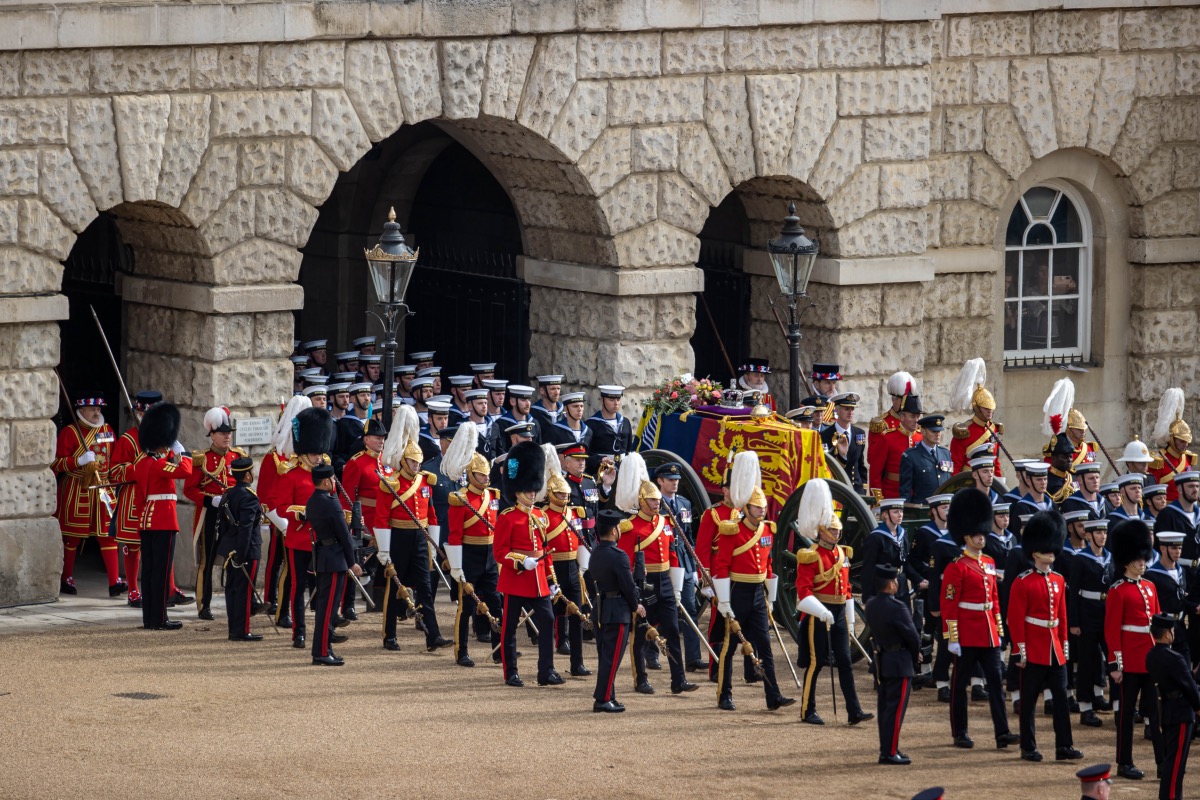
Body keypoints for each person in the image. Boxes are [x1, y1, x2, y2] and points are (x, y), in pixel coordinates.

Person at [711, 451, 792, 711]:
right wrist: (724, 600)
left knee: (765, 647)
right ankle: (724, 694)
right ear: (746, 508)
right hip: (737, 592)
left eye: (763, 507)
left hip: (757, 593)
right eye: (758, 508)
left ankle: (773, 695)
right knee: (730, 647)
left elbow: (768, 565)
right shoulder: (731, 530)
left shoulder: (767, 529)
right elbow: (721, 565)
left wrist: (771, 597)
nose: (762, 511)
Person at [941, 488, 1020, 750]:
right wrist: (952, 637)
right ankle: (960, 732)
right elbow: (949, 604)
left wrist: (998, 629)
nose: (982, 538)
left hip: (988, 633)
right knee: (959, 685)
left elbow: (994, 600)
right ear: (966, 536)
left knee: (996, 685)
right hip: (966, 633)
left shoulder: (988, 562)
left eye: (983, 534)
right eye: (977, 534)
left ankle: (1002, 732)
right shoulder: (957, 567)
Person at [372, 405, 452, 653]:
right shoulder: (391, 484)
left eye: (418, 462)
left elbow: (432, 515)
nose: (416, 466)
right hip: (398, 537)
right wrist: (383, 550)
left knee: (425, 588)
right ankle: (389, 635)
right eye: (412, 462)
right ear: (403, 461)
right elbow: (382, 517)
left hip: (420, 538)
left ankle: (433, 636)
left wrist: (433, 545)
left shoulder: (425, 481)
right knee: (394, 588)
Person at [616, 454, 695, 696]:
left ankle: (678, 680)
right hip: (644, 584)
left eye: (658, 500)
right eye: (652, 500)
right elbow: (625, 562)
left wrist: (676, 587)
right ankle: (640, 679)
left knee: (672, 631)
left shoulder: (665, 522)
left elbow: (672, 555)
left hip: (665, 584)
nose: (657, 503)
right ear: (641, 501)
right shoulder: (630, 527)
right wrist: (632, 592)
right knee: (641, 634)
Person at [1007, 510, 1083, 762]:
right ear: (1035, 552)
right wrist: (1020, 651)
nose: (1051, 554)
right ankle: (1028, 746)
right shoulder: (1023, 581)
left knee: (1061, 699)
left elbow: (1062, 617)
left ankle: (1064, 745)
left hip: (1054, 649)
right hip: (1033, 648)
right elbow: (1016, 619)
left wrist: (1064, 646)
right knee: (1029, 701)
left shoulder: (1058, 580)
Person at [794, 477, 869, 724]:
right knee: (815, 664)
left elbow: (847, 590)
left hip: (837, 613)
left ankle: (854, 710)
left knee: (845, 663)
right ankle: (807, 710)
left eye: (838, 530)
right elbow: (803, 592)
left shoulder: (842, 554)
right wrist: (821, 611)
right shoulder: (810, 555)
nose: (837, 533)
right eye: (833, 530)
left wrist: (850, 618)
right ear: (823, 531)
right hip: (818, 613)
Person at [493, 440, 562, 687]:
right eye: (528, 490)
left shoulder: (541, 516)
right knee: (509, 628)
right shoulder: (507, 517)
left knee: (548, 621)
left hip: (539, 580)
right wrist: (522, 561)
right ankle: (511, 672)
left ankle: (546, 671)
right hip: (516, 579)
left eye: (534, 489)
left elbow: (546, 550)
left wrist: (552, 580)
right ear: (517, 491)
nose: (533, 494)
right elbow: (500, 552)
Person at [268, 407, 334, 650]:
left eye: (320, 453)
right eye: (315, 453)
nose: (318, 457)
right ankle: (299, 632)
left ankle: (326, 630)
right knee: (298, 589)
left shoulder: (326, 473)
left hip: (324, 538)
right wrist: (301, 512)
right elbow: (280, 507)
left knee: (325, 588)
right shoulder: (291, 474)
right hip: (300, 538)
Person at [1106, 519, 1163, 780]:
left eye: (1143, 558)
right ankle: (1124, 762)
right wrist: (1115, 665)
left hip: (1150, 660)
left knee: (1156, 716)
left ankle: (1162, 762)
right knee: (1127, 715)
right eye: (1138, 559)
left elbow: (1157, 624)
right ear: (1127, 561)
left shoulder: (1150, 587)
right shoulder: (1117, 591)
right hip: (1129, 662)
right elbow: (1112, 631)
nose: (1142, 562)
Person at [442, 424, 502, 667]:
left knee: (496, 603)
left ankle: (499, 650)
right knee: (466, 606)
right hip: (469, 555)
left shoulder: (492, 495)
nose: (486, 478)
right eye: (481, 475)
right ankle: (462, 651)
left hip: (489, 555)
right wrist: (456, 566)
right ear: (471, 474)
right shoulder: (460, 499)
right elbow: (455, 534)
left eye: (487, 475)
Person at [54, 393, 121, 596]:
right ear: (81, 410)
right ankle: (66, 578)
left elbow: (115, 459)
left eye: (98, 409)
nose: (96, 413)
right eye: (92, 409)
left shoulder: (107, 430)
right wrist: (78, 461)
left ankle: (114, 582)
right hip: (77, 488)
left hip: (103, 487)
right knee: (72, 537)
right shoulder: (70, 432)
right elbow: (56, 463)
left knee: (108, 535)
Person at [133, 402, 193, 630]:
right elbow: (185, 470)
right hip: (163, 521)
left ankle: (149, 618)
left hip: (146, 521)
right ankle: (159, 618)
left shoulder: (143, 464)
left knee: (149, 572)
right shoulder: (158, 465)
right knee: (161, 572)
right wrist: (181, 452)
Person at [184, 406, 243, 621]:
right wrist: (211, 500)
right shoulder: (202, 459)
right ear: (212, 434)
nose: (227, 437)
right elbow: (189, 490)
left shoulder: (237, 457)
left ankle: (237, 603)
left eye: (229, 433)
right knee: (206, 562)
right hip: (210, 515)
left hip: (232, 515)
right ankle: (204, 605)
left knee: (236, 560)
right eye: (223, 433)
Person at [258, 395, 310, 627]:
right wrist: (284, 524)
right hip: (283, 519)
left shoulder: (311, 460)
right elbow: (265, 495)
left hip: (307, 522)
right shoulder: (274, 458)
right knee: (279, 562)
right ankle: (277, 605)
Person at [109, 390, 164, 609]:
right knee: (133, 546)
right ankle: (133, 589)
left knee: (160, 545)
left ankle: (164, 589)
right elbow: (114, 472)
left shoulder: (164, 439)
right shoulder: (128, 439)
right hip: (133, 497)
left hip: (157, 497)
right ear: (139, 415)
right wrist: (139, 467)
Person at [865, 563, 921, 765]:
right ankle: (889, 752)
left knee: (885, 710)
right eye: (895, 581)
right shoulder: (898, 607)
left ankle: (888, 748)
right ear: (890, 584)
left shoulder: (871, 604)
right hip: (899, 662)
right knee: (895, 711)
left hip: (882, 661)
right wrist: (915, 656)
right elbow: (913, 637)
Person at [590, 508, 645, 712]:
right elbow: (628, 586)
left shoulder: (596, 552)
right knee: (611, 658)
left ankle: (609, 695)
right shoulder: (618, 556)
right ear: (614, 531)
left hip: (601, 607)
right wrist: (636, 605)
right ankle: (602, 699)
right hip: (617, 610)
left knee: (606, 656)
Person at [307, 463, 360, 666]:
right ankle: (321, 652)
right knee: (328, 609)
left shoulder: (313, 500)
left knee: (326, 608)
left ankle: (324, 648)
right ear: (327, 481)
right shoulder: (331, 502)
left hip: (325, 556)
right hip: (334, 559)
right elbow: (344, 535)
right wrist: (352, 562)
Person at [543, 462, 590, 677]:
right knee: (552, 617)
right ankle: (549, 666)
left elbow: (579, 540)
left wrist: (583, 565)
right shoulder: (542, 515)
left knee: (577, 616)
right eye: (560, 494)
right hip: (553, 568)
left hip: (572, 568)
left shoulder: (574, 514)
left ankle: (577, 664)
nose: (564, 497)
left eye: (566, 494)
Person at [338, 417, 386, 622]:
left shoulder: (387, 461)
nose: (381, 441)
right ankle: (348, 604)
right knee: (356, 562)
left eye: (383, 438)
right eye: (377, 437)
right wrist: (352, 522)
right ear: (366, 440)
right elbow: (347, 497)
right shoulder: (356, 462)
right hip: (365, 520)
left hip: (384, 519)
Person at [1147, 612, 1199, 800]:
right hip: (1181, 711)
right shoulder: (1174, 658)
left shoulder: (1151, 655)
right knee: (1177, 763)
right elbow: (1189, 687)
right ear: (1167, 633)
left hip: (1167, 710)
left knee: (1172, 760)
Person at [657, 462, 702, 671]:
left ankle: (693, 657)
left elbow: (689, 538)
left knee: (689, 609)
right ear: (660, 481)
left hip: (683, 561)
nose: (675, 483)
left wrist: (693, 568)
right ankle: (652, 654)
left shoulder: (684, 503)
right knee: (659, 609)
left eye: (676, 480)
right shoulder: (653, 502)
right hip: (663, 560)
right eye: (670, 480)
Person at [1070, 517, 1114, 728]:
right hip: (1087, 612)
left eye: (1104, 532)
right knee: (1087, 661)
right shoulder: (1080, 559)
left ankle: (1114, 702)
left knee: (1112, 658)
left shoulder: (1111, 557)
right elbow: (1073, 593)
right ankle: (1085, 707)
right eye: (1098, 532)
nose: (1102, 536)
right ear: (1088, 535)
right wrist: (1074, 621)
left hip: (1107, 612)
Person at [215, 456, 262, 642]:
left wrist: (229, 548)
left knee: (232, 589)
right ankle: (242, 630)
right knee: (244, 591)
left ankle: (233, 629)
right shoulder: (249, 496)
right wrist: (241, 553)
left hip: (230, 548)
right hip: (247, 549)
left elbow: (223, 525)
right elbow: (246, 528)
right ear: (248, 475)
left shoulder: (229, 493)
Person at [949, 358, 1005, 476]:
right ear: (977, 408)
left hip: (990, 480)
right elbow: (956, 466)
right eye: (986, 408)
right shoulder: (964, 432)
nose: (990, 411)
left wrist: (1000, 482)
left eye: (991, 408)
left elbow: (996, 463)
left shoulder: (994, 428)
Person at [1145, 531, 1193, 666]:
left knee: (1185, 667)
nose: (1178, 552)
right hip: (1163, 630)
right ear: (1162, 548)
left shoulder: (1182, 571)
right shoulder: (1151, 575)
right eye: (1173, 548)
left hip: (1180, 627)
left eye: (1180, 548)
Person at [869, 393, 922, 501]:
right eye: (912, 416)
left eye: (918, 416)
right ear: (902, 417)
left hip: (916, 495)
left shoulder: (921, 438)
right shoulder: (887, 438)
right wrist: (877, 500)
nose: (916, 420)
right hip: (892, 494)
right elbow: (875, 472)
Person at [1149, 388, 1196, 503]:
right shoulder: (1159, 460)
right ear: (1171, 439)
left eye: (1187, 441)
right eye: (1181, 441)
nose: (1185, 445)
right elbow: (1153, 492)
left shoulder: (1188, 457)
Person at [899, 414, 954, 506]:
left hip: (944, 507)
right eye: (934, 431)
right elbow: (905, 490)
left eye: (939, 431)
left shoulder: (945, 453)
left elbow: (949, 481)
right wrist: (907, 510)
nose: (938, 434)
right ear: (923, 432)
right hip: (923, 508)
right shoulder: (910, 456)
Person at [820, 392, 868, 494]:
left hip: (856, 488)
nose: (850, 412)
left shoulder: (859, 433)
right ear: (837, 410)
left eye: (852, 409)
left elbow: (860, 464)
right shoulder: (825, 435)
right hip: (836, 489)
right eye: (846, 409)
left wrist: (863, 489)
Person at [584, 385, 633, 474]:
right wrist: (600, 459)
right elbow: (585, 454)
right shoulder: (591, 424)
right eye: (611, 400)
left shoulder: (625, 422)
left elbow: (629, 449)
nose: (616, 403)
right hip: (600, 471)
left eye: (618, 399)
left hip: (623, 471)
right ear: (602, 400)